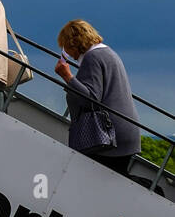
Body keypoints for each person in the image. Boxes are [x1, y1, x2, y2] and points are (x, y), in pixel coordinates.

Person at [54, 20, 140, 175]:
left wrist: (67, 77)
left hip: (108, 136)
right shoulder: (108, 53)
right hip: (125, 131)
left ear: (74, 43)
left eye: (65, 47)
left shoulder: (91, 58)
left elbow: (91, 99)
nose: (66, 53)